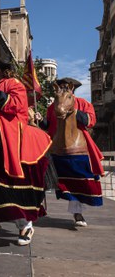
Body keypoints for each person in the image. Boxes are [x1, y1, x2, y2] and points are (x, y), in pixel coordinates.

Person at [0, 57, 51, 245]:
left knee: (10, 183)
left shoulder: (13, 83)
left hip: (13, 127)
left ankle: (25, 225)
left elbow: (17, 105)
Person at [35, 77, 104, 227]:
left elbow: (91, 121)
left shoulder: (83, 103)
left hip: (78, 145)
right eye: (60, 86)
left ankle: (78, 213)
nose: (63, 89)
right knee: (44, 173)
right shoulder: (52, 106)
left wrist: (75, 111)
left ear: (72, 89)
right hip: (56, 145)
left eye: (66, 87)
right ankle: (35, 205)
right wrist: (40, 120)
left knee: (80, 178)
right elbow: (49, 125)